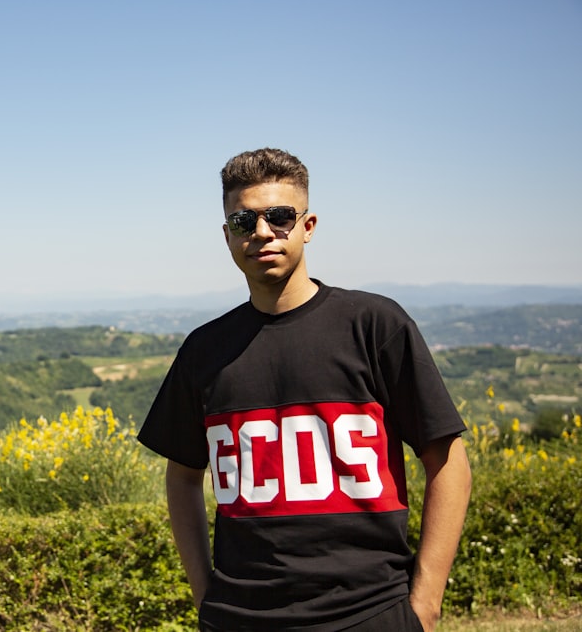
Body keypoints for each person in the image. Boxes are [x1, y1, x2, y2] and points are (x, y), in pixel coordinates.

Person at [138, 148, 472, 631]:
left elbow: (448, 461)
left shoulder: (374, 326)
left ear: (308, 225)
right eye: (242, 220)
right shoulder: (203, 350)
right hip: (238, 618)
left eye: (278, 217)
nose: (261, 233)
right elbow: (183, 477)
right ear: (227, 234)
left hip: (370, 613)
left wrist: (425, 604)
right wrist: (205, 595)